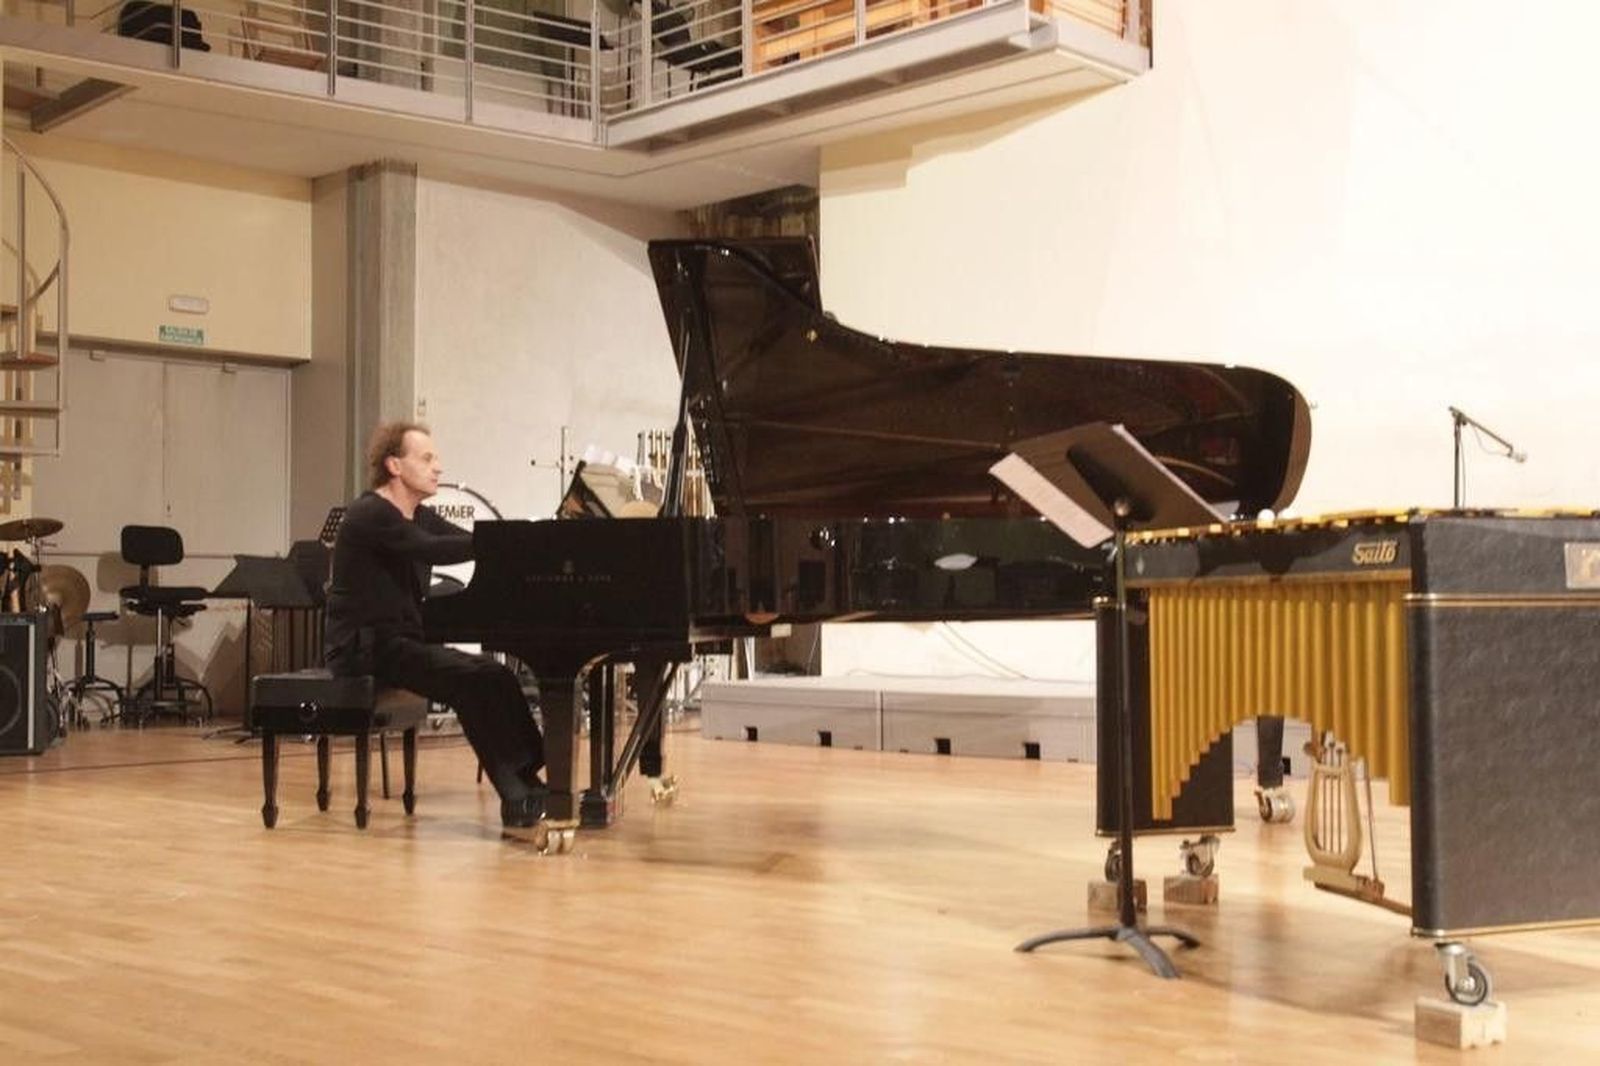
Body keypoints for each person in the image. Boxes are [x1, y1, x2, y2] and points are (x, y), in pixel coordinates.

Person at [324, 421, 547, 839]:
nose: (438, 467)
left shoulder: (419, 514)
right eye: (426, 458)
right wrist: (509, 544)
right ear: (394, 464)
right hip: (365, 647)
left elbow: (469, 540)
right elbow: (433, 550)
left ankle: (528, 774)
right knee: (470, 680)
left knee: (496, 673)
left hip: (399, 642)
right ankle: (513, 791)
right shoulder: (371, 513)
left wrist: (516, 540)